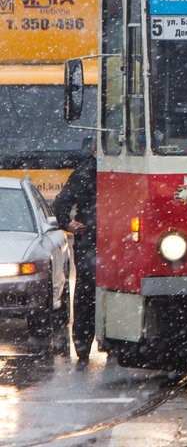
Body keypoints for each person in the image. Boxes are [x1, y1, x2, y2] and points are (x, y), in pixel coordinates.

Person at [53, 141, 98, 364]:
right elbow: (61, 204)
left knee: (87, 294)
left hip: (103, 243)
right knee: (86, 294)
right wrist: (68, 224)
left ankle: (85, 347)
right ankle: (83, 348)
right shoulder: (85, 173)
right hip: (91, 242)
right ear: (94, 151)